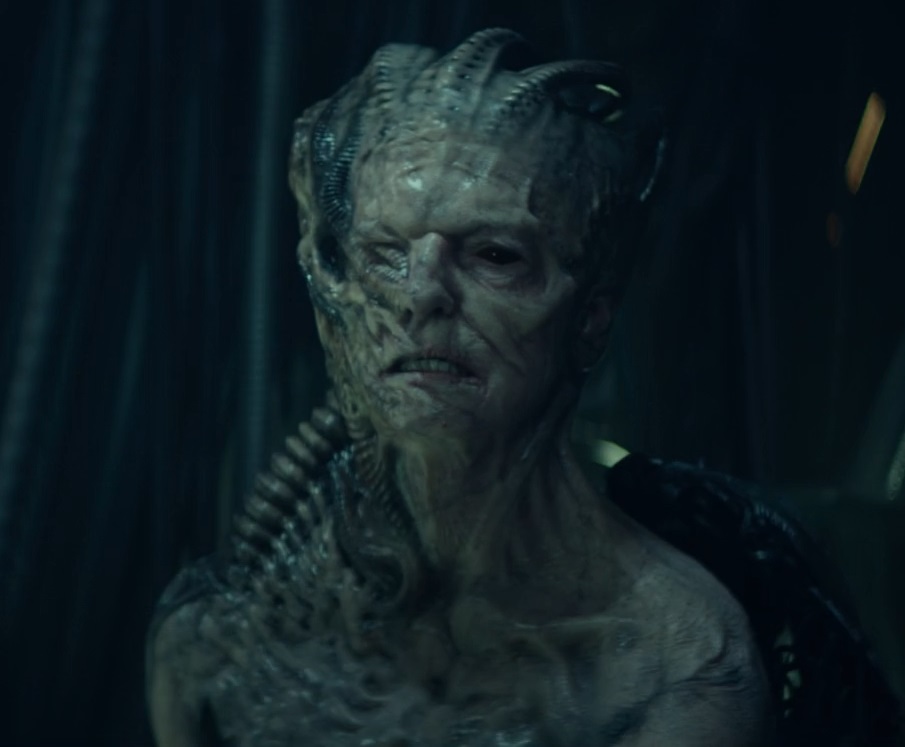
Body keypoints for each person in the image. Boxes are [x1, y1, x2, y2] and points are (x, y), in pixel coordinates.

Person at [146, 28, 898, 747]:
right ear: (332, 291)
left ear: (590, 319)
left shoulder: (674, 672)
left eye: (494, 256)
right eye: (384, 252)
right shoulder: (229, 638)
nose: (420, 296)